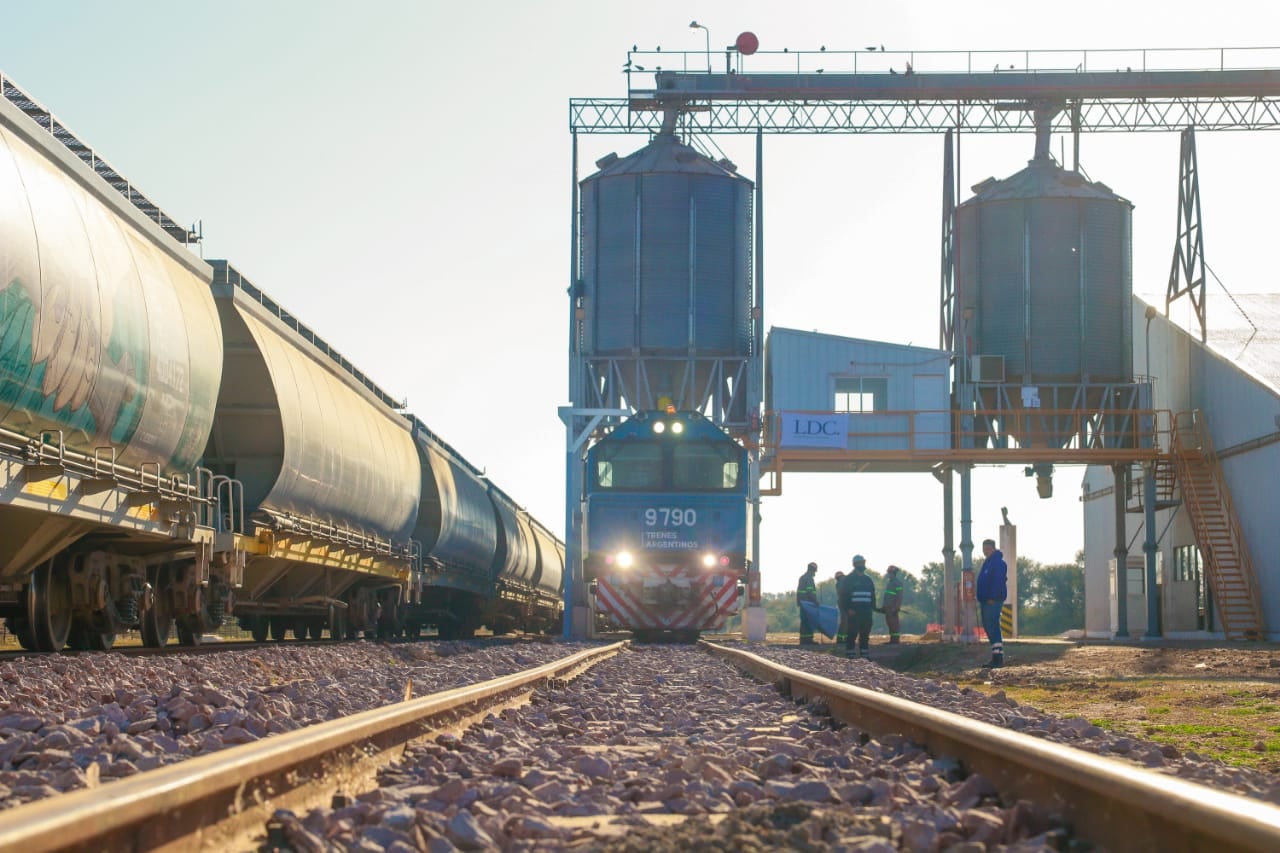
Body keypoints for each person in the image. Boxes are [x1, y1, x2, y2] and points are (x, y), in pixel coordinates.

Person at [977, 538, 1008, 667]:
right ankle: (995, 655)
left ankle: (998, 658)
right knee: (988, 626)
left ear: (993, 548)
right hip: (985, 600)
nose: (985, 551)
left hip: (993, 600)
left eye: (988, 549)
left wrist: (992, 597)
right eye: (984, 549)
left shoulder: (998, 563)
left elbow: (997, 581)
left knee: (992, 626)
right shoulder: (987, 563)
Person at [842, 555, 876, 658]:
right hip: (854, 611)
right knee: (852, 633)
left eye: (863, 562)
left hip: (866, 611)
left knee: (865, 633)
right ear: (855, 565)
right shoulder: (849, 579)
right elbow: (844, 596)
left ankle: (864, 654)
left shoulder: (868, 579)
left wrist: (872, 607)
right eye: (860, 563)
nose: (862, 564)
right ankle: (850, 654)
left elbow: (872, 595)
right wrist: (848, 609)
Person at [880, 565, 904, 644]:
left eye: (889, 573)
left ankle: (895, 640)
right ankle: (892, 639)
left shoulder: (897, 583)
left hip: (892, 608)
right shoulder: (890, 583)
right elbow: (887, 596)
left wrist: (897, 607)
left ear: (893, 573)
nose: (888, 574)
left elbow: (899, 596)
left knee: (894, 624)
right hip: (888, 607)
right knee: (890, 624)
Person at [797, 562, 819, 645]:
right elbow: (810, 591)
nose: (815, 573)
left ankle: (803, 639)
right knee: (809, 621)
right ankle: (809, 639)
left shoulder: (802, 577)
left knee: (804, 622)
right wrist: (815, 601)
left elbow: (799, 592)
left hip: (802, 603)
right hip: (808, 603)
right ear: (813, 570)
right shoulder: (809, 578)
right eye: (815, 571)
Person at [834, 570, 850, 648]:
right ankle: (841, 638)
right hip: (844, 603)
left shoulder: (839, 582)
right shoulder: (842, 582)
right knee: (845, 621)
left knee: (846, 621)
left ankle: (844, 638)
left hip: (844, 603)